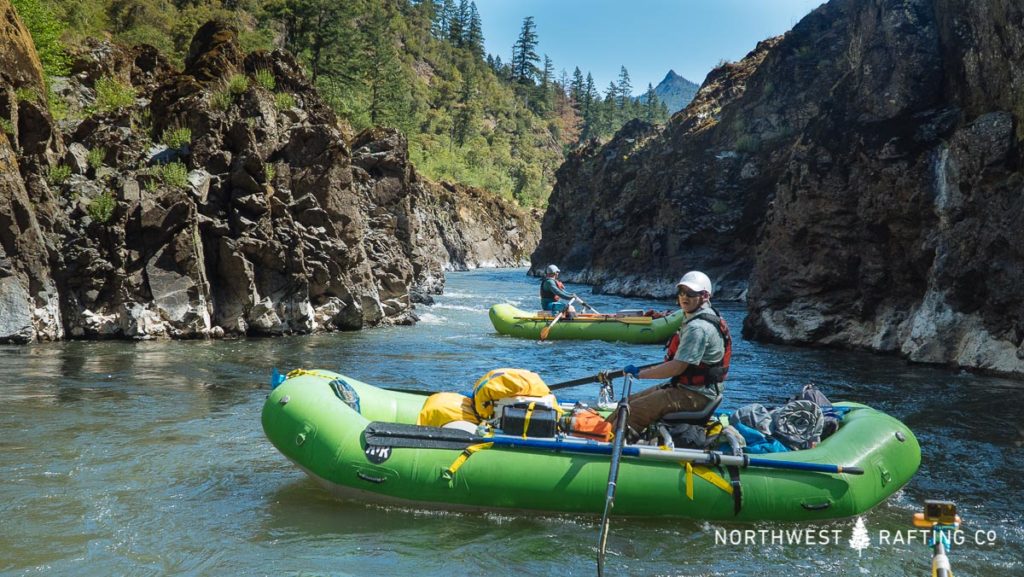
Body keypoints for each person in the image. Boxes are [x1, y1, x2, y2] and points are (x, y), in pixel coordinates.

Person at [607, 270, 732, 435]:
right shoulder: (701, 316)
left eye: (690, 293)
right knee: (627, 401)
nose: (684, 297)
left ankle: (612, 445)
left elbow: (676, 368)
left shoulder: (698, 328)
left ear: (705, 296)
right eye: (681, 292)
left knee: (633, 410)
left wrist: (640, 374)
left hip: (696, 395)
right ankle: (601, 432)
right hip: (690, 388)